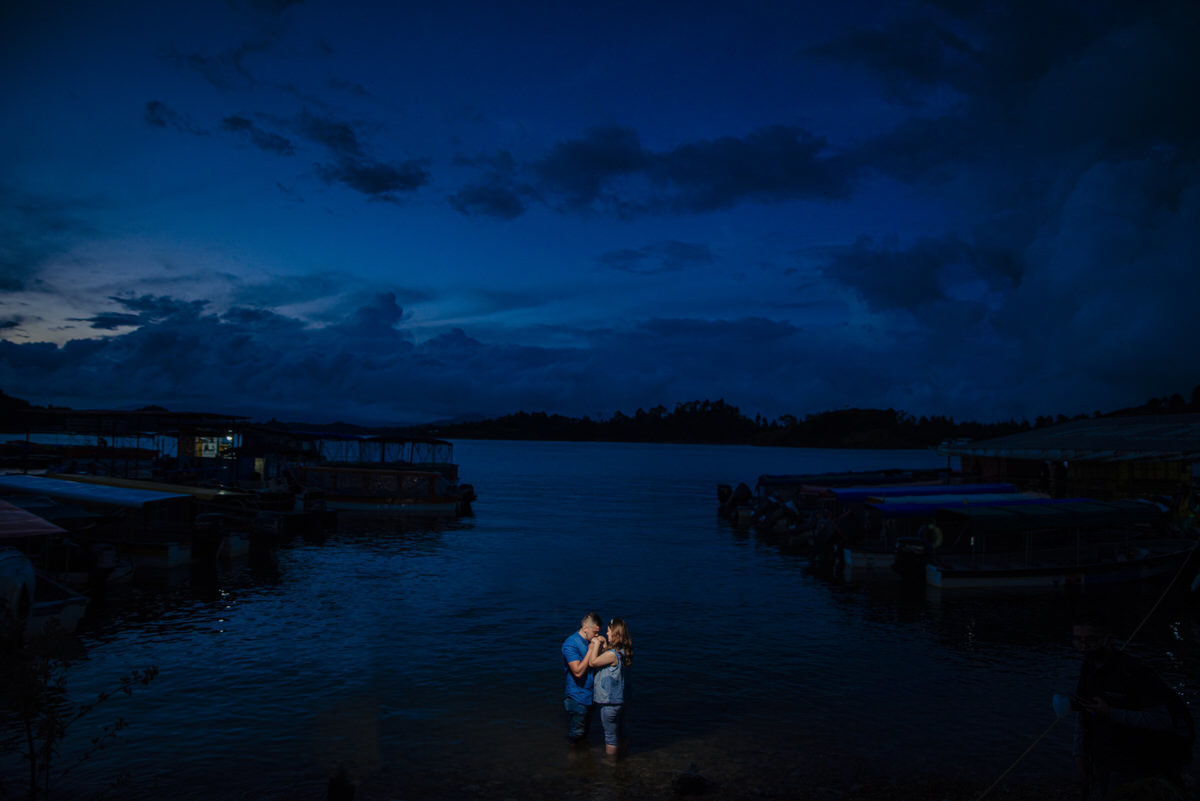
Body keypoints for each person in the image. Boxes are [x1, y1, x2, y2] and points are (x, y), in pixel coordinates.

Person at [1072, 612, 1194, 800]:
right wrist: (1079, 754)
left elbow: (1161, 720)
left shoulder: (1135, 672)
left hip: (1139, 762)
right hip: (1103, 757)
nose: (1083, 647)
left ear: (1107, 639)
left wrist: (1110, 712)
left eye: (1090, 640)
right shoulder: (1088, 668)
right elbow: (1083, 713)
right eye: (1078, 640)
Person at [591, 617, 633, 758]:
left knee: (610, 736)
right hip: (621, 700)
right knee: (620, 731)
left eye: (608, 632)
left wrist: (596, 643)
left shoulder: (612, 655)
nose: (607, 634)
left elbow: (593, 662)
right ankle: (623, 754)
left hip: (610, 702)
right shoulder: (623, 651)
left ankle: (610, 763)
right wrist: (603, 643)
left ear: (614, 634)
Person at [562, 611, 603, 744]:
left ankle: (584, 760)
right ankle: (574, 759)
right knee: (577, 733)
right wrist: (591, 650)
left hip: (591, 695)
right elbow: (578, 672)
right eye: (595, 632)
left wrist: (603, 643)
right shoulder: (570, 644)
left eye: (598, 632)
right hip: (577, 697)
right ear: (585, 629)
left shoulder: (591, 640)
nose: (597, 635)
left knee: (586, 731)